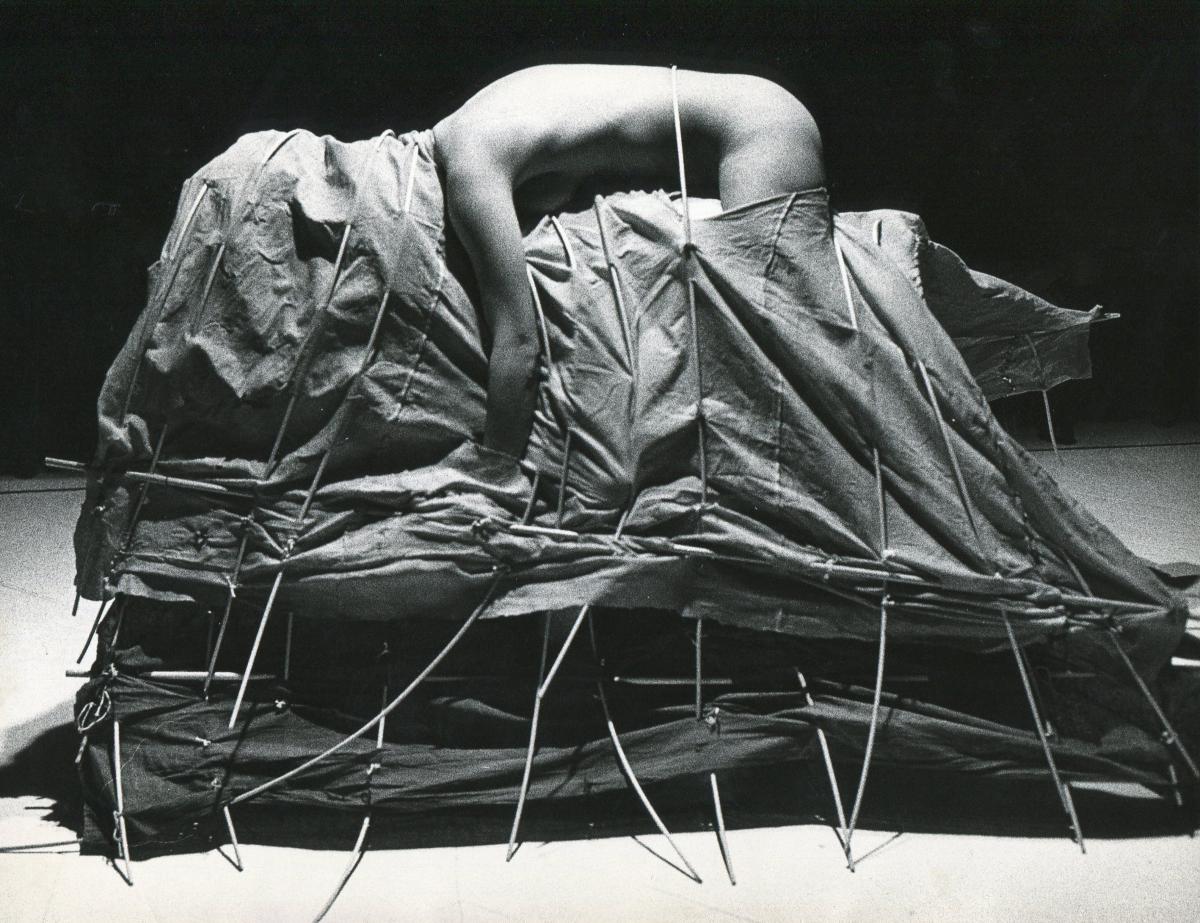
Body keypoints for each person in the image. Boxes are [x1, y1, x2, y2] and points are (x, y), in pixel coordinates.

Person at [431, 64, 825, 461]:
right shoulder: (474, 122)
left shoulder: (471, 161)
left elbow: (519, 343)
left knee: (781, 377)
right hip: (759, 114)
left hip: (759, 131)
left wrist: (493, 464)